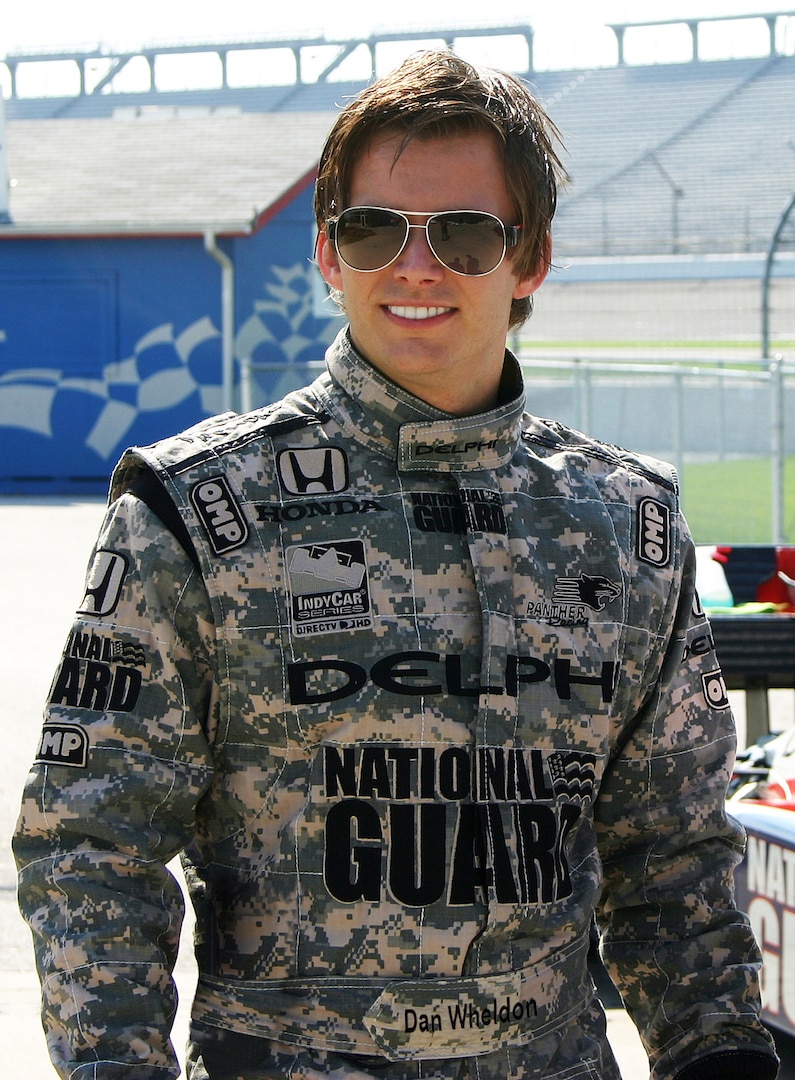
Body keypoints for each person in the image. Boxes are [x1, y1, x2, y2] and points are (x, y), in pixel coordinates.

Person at [14, 49, 779, 1080]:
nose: (415, 268)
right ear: (328, 256)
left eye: (464, 234)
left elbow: (672, 855)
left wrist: (718, 1052)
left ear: (531, 260)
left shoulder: (624, 524)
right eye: (373, 230)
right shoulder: (196, 514)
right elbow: (90, 845)